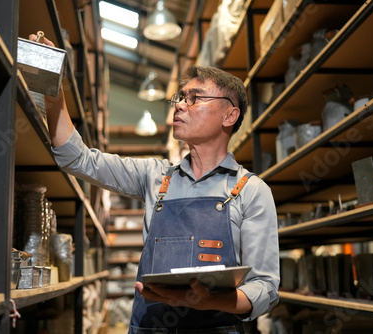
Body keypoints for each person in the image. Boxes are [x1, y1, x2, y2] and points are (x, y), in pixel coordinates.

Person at [30, 33, 279, 334]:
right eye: (180, 97)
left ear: (230, 115)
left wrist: (212, 300)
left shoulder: (251, 191)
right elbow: (77, 158)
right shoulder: (155, 177)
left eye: (194, 98)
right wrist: (50, 82)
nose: (179, 106)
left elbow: (265, 287)